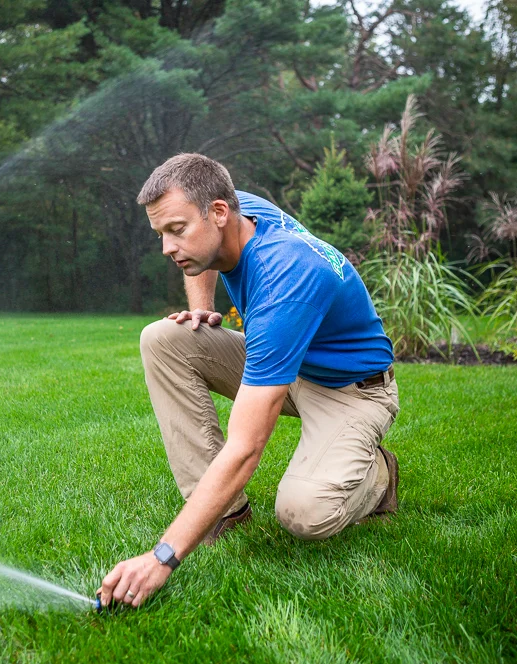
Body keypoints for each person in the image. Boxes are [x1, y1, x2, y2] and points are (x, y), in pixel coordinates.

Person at [97, 153, 399, 609]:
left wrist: (162, 557)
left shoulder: (287, 276)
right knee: (165, 338)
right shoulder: (240, 207)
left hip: (351, 391)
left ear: (218, 212)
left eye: (176, 230)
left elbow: (246, 448)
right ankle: (225, 510)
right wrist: (201, 305)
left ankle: (377, 476)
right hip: (288, 360)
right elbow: (210, 257)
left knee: (304, 514)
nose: (166, 248)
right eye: (160, 234)